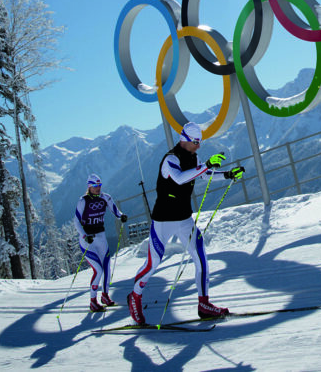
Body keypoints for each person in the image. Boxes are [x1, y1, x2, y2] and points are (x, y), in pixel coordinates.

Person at [127, 121, 245, 324]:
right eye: (196, 142)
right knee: (153, 263)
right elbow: (180, 178)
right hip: (163, 221)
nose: (199, 146)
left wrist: (226, 174)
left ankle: (204, 304)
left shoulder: (193, 157)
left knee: (201, 257)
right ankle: (135, 296)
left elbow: (204, 174)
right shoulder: (170, 160)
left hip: (184, 219)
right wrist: (205, 165)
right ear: (186, 140)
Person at [74, 173, 128, 312]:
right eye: (95, 186)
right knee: (98, 270)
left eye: (99, 185)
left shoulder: (105, 197)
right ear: (89, 187)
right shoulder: (83, 201)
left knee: (106, 267)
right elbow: (76, 221)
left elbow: (115, 211)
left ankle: (105, 296)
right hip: (87, 240)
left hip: (101, 236)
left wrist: (121, 216)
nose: (98, 188)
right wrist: (84, 235)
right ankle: (93, 301)